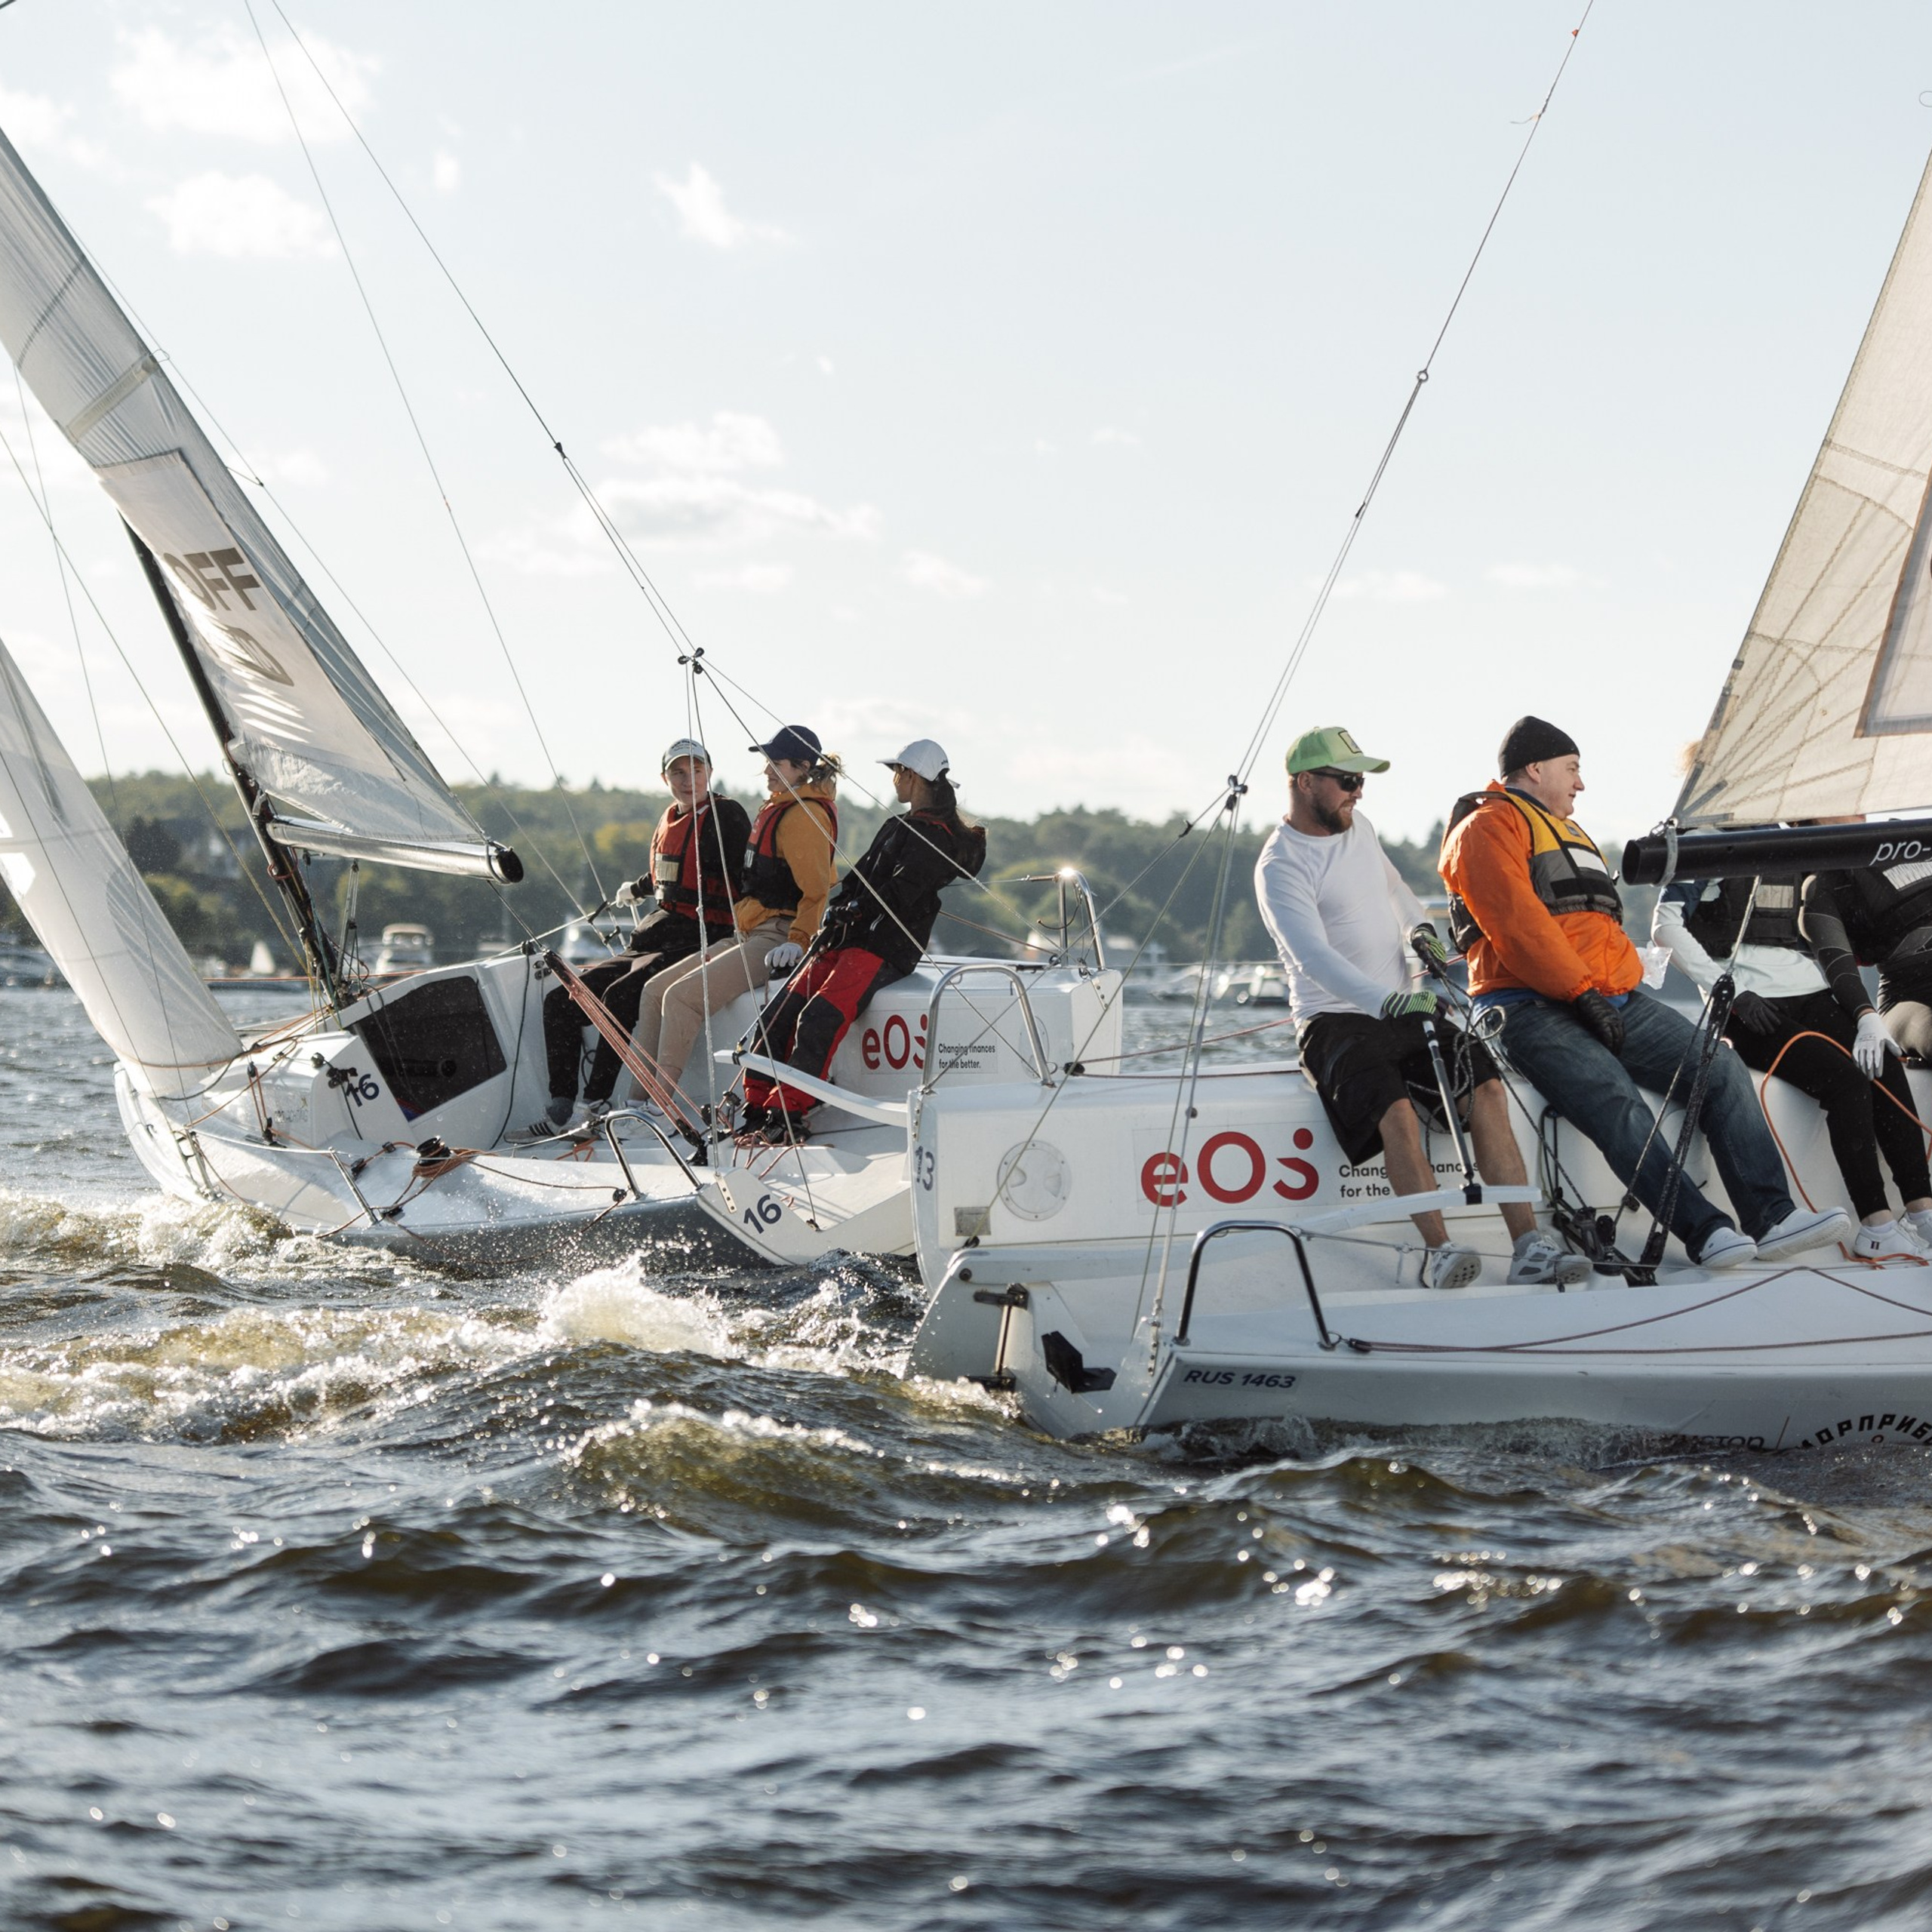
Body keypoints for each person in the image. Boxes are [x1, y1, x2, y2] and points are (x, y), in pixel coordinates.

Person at [1438, 715, 1847, 1269]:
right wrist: (1581, 994)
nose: (1580, 784)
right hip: (1527, 1007)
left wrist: (1618, 980)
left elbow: (1595, 929)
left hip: (1612, 998)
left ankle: (1772, 1218)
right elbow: (1519, 926)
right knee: (1617, 1102)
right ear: (1535, 769)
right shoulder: (1486, 828)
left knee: (1717, 1067)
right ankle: (1705, 1232)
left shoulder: (1569, 832)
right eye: (1572, 769)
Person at [1257, 724, 1577, 1291]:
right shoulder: (1280, 865)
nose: (1359, 792)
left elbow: (1397, 892)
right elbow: (1311, 957)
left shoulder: (1361, 829)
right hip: (1334, 1020)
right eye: (1348, 781)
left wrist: (1421, 930)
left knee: (1487, 1086)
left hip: (1400, 1006)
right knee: (1398, 1113)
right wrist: (1389, 999)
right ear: (1305, 783)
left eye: (1362, 781)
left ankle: (1528, 1245)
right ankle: (1440, 1251)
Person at [1657, 875, 1932, 1259]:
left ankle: (1923, 1213)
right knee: (1845, 1080)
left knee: (1882, 1061)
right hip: (1751, 1005)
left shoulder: (1788, 849)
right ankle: (1878, 1227)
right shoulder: (1706, 845)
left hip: (1811, 993)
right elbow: (1665, 928)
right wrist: (1729, 990)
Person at [740, 739, 988, 1141]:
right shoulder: (900, 825)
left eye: (897, 772)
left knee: (819, 1016)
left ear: (912, 776)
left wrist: (852, 911)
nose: (893, 780)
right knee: (779, 1013)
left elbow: (899, 894)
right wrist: (838, 910)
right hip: (846, 939)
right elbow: (861, 879)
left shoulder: (935, 837)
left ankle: (788, 1113)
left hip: (882, 949)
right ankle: (756, 1106)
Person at [527, 739, 749, 1134]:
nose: (688, 779)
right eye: (678, 772)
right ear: (665, 778)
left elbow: (738, 870)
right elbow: (672, 873)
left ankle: (594, 1106)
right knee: (562, 999)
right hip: (658, 931)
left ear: (710, 773)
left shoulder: (725, 816)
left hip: (703, 934)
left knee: (622, 996)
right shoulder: (671, 817)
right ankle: (562, 1103)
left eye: (696, 770)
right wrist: (640, 887)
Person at [630, 724, 840, 1103]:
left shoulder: (803, 817)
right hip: (751, 931)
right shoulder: (779, 807)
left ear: (801, 766)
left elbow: (817, 890)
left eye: (775, 764)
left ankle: (659, 1106)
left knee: (681, 997)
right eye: (767, 763)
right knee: (653, 990)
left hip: (779, 935)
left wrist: (798, 941)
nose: (767, 771)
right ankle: (635, 1102)